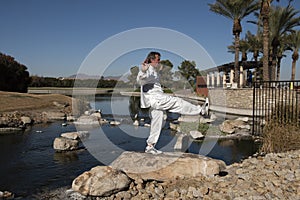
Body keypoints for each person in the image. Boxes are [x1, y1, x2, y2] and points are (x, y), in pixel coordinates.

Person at [136, 51, 209, 154]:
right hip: (157, 99)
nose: (159, 61)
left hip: (155, 100)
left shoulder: (153, 70)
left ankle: (150, 146)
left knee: (158, 121)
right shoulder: (148, 70)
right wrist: (143, 71)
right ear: (152, 60)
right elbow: (140, 81)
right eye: (158, 59)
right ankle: (201, 110)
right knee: (177, 103)